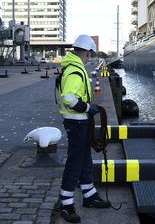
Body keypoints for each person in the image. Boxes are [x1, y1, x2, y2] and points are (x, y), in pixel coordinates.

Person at [57, 35, 110, 223]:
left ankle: (89, 196)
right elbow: (69, 98)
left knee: (85, 160)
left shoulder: (74, 69)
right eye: (89, 55)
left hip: (80, 122)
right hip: (76, 122)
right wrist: (89, 108)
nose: (90, 58)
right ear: (86, 53)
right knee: (75, 163)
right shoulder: (74, 72)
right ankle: (66, 205)